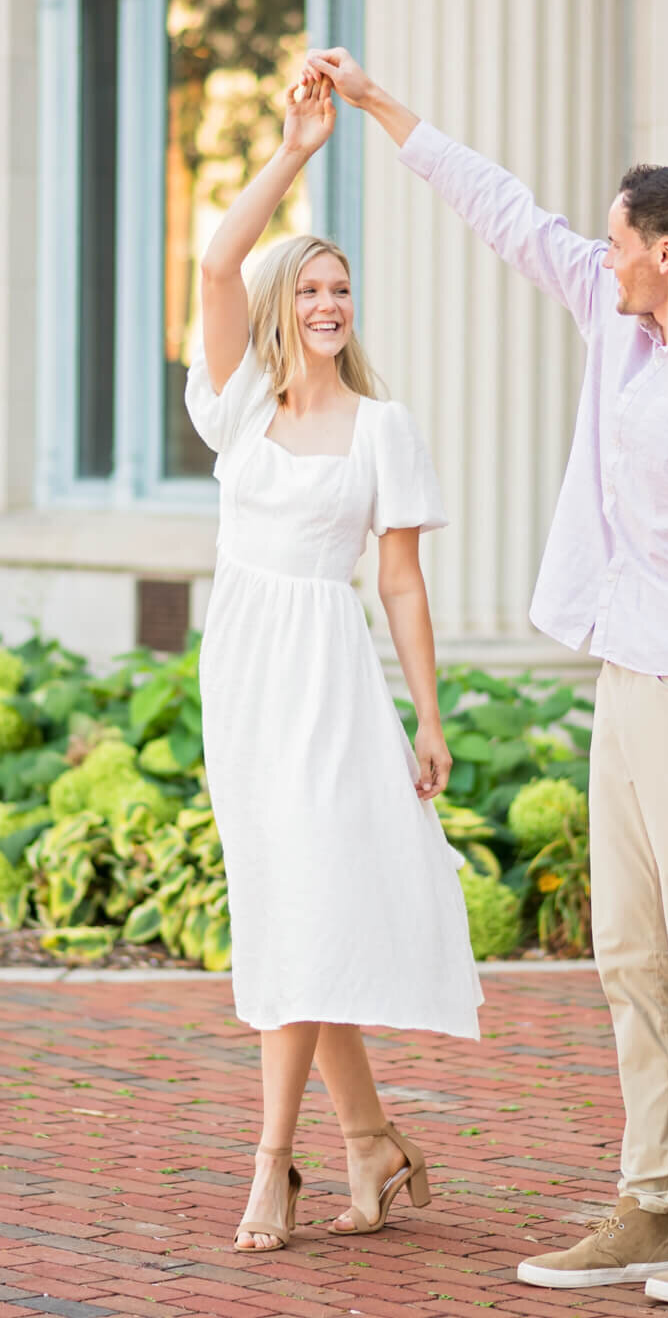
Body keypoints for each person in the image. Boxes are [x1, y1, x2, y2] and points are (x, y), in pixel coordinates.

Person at [301, 46, 668, 1307]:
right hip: (626, 666)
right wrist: (375, 106)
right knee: (627, 952)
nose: (595, 250)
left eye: (618, 238)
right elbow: (501, 207)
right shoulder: (616, 315)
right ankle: (650, 1203)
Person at [185, 72, 483, 1255]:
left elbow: (400, 580)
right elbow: (216, 262)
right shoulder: (242, 403)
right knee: (290, 908)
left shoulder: (383, 427)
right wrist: (295, 150)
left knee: (300, 907)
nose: (328, 301)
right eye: (309, 285)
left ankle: (272, 1166)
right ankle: (369, 1140)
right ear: (280, 302)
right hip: (241, 675)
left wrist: (430, 714)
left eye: (341, 287)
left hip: (326, 674)